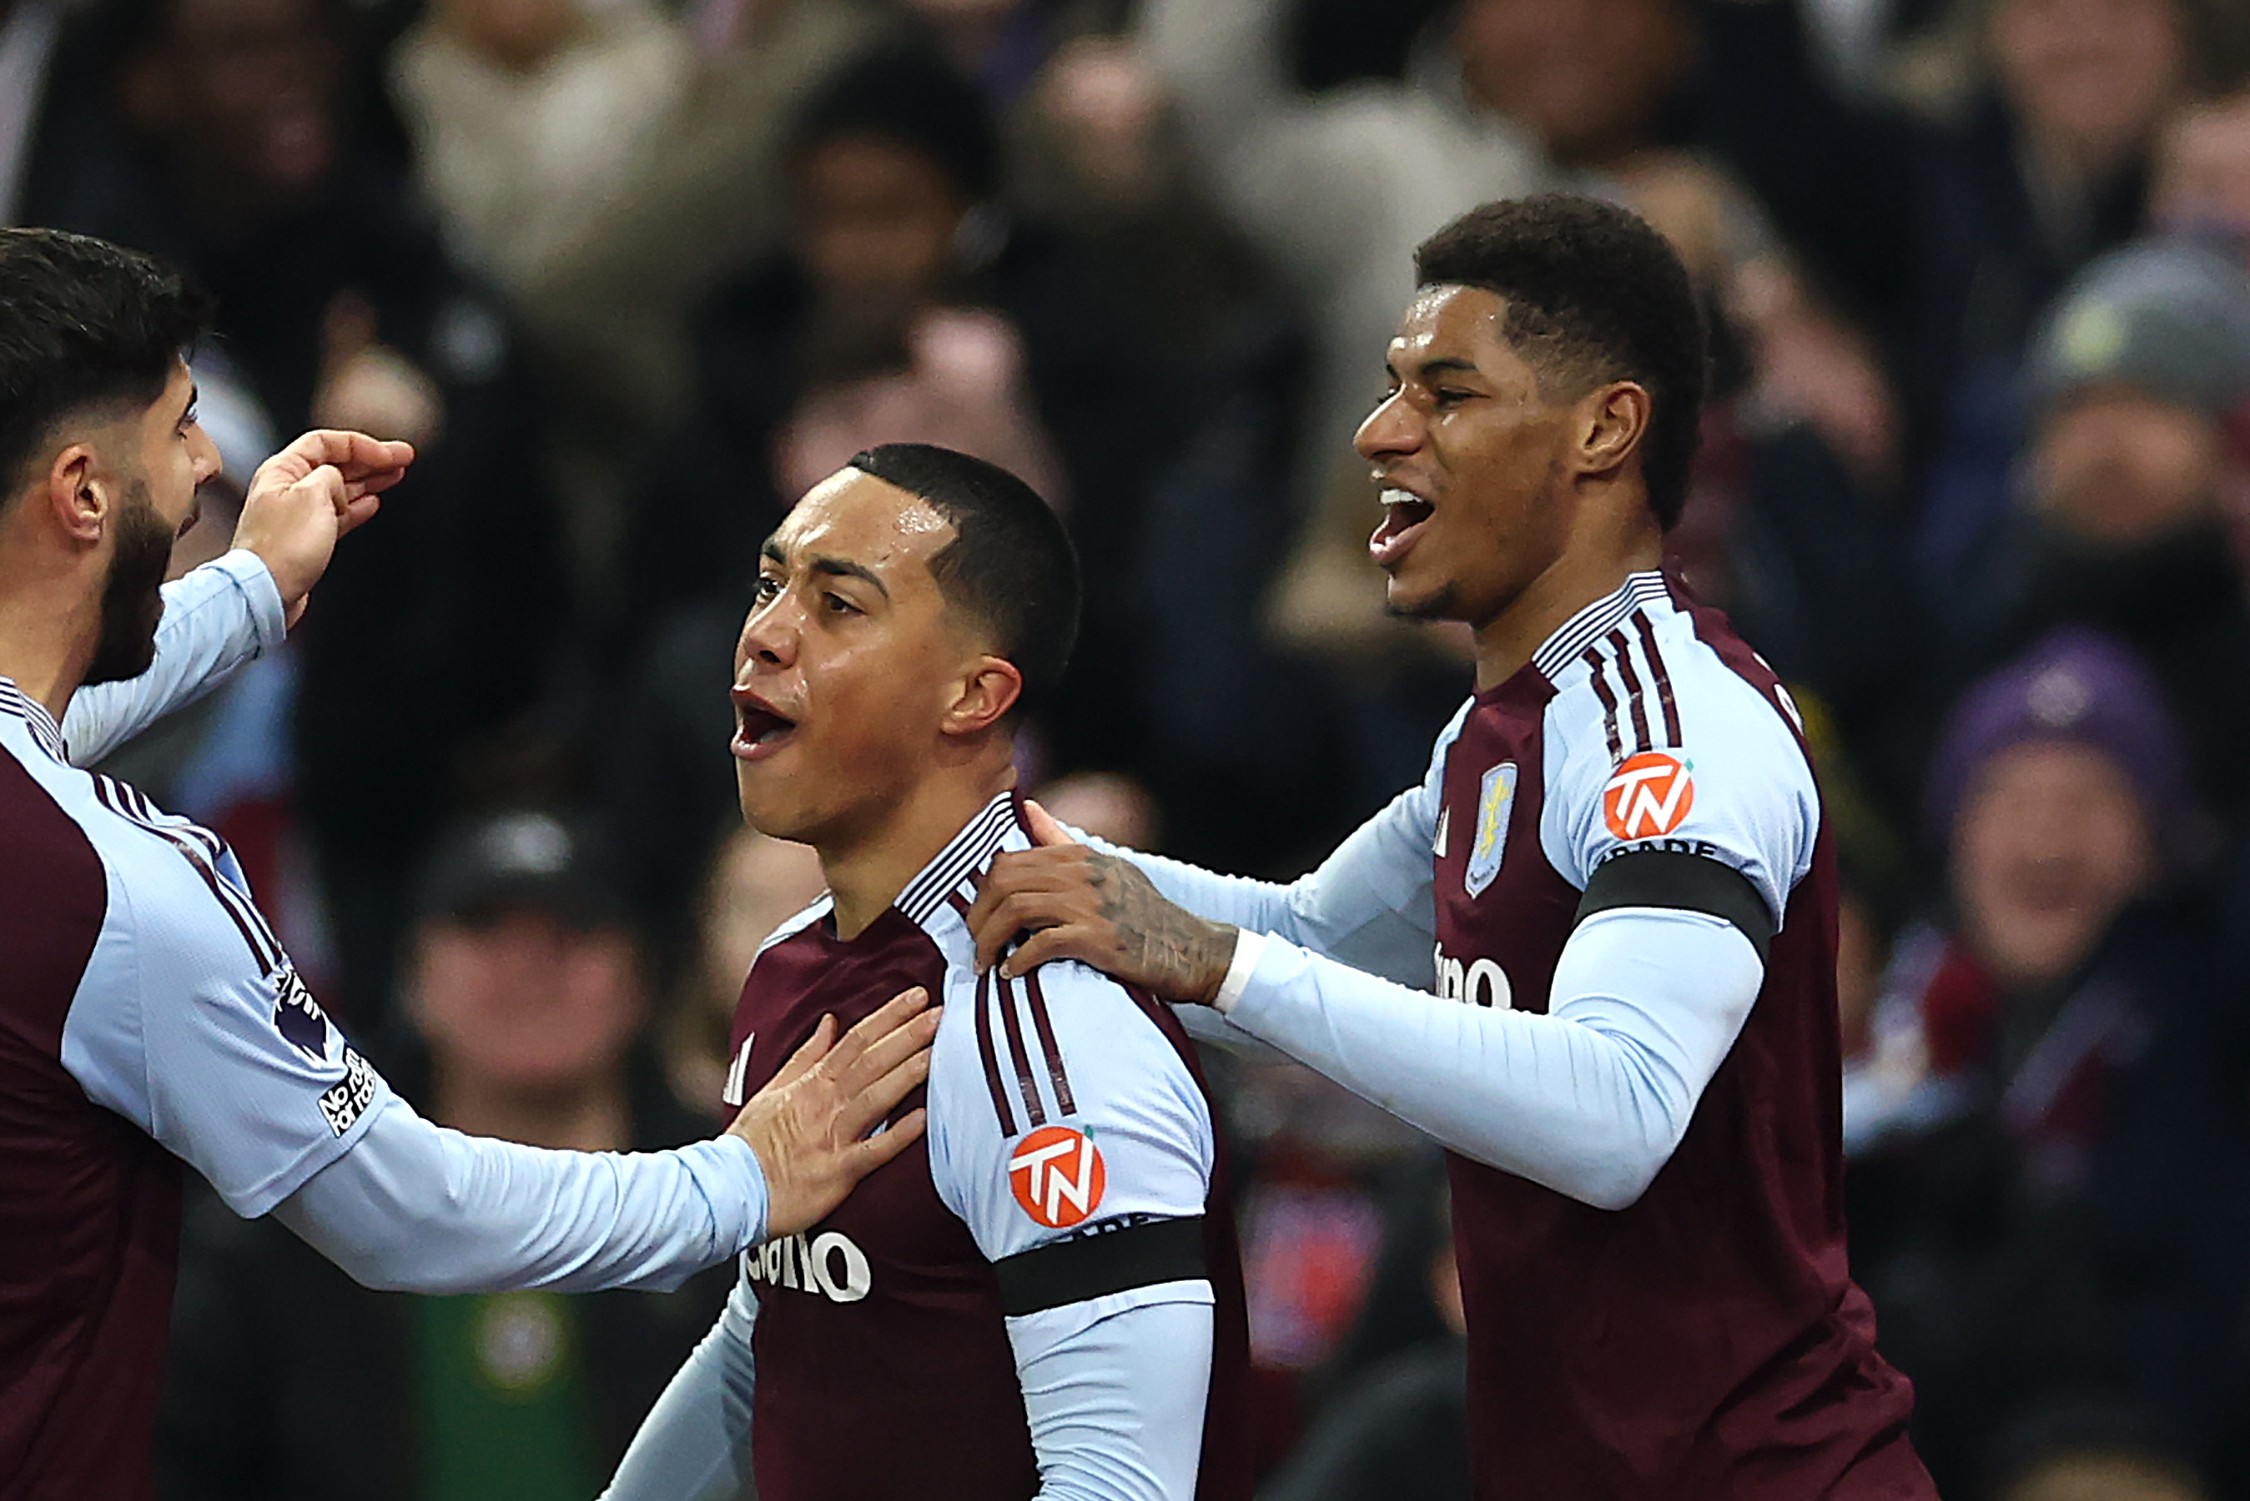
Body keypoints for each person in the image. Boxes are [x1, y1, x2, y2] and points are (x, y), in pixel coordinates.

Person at [968, 194, 1935, 1497]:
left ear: (1603, 428)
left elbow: (1617, 1110)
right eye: (1388, 389)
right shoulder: (1500, 733)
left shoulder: (1674, 729)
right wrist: (989, 858)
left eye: (1446, 392)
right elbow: (1307, 936)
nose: (1378, 433)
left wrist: (1210, 963)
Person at [0, 226, 931, 1500]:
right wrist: (740, 1176)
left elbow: (44, 728)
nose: (212, 462)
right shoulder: (121, 893)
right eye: (179, 430)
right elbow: (407, 1208)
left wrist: (254, 588)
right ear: (83, 495)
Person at [601, 443, 1252, 1501]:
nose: (764, 635)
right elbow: (776, 1329)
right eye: (770, 585)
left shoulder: (1042, 1022)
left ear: (974, 693)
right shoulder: (787, 963)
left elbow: (1122, 1486)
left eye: (838, 605)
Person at [157, 809, 737, 1500]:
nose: (528, 966)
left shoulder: (744, 1219)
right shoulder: (277, 1227)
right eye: (484, 927)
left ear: (642, 978)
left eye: (574, 929)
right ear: (412, 975)